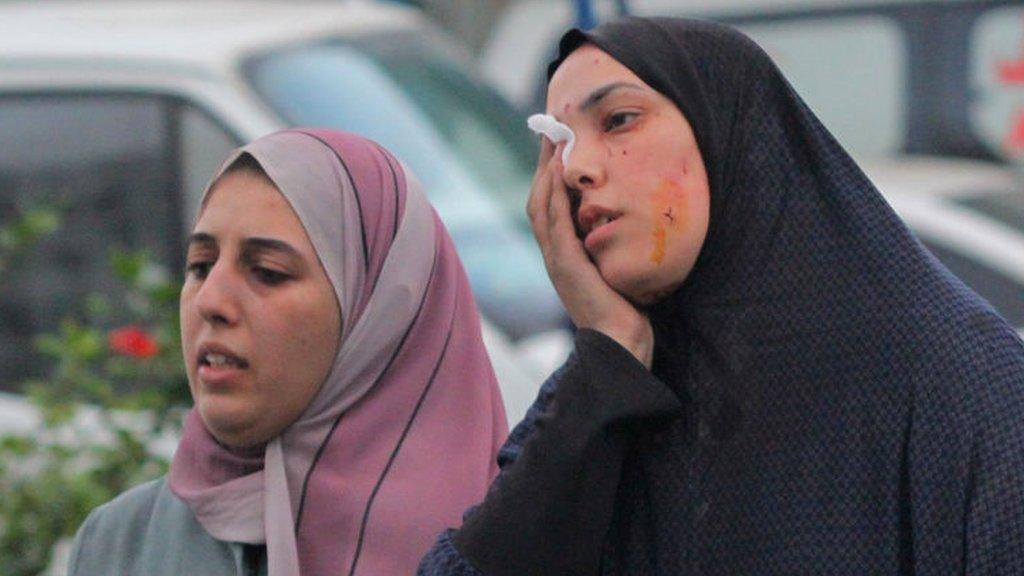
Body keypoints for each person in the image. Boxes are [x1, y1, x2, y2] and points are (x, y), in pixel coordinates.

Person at [419, 17, 1024, 575]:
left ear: (726, 129)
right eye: (557, 142)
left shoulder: (954, 373)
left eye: (619, 120)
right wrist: (607, 358)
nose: (575, 170)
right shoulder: (610, 389)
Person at [67, 129, 508, 576]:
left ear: (377, 315)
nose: (210, 301)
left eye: (267, 272)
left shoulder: (499, 545)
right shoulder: (120, 543)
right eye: (200, 266)